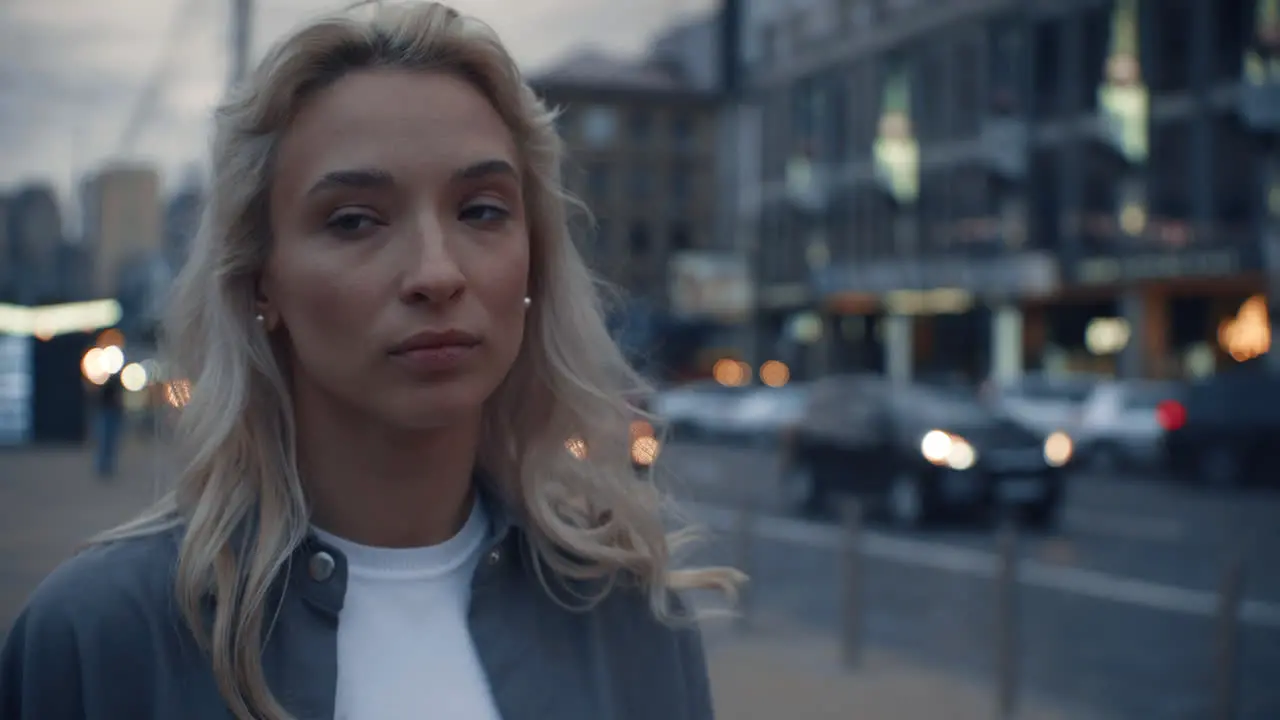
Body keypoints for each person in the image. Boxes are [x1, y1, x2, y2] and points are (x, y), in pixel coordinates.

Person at [0, 3, 741, 719]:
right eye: (355, 220)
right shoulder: (97, 639)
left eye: (481, 210)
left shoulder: (631, 618)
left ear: (534, 260)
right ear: (263, 280)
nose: (435, 272)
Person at [93, 368, 125, 477]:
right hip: (108, 413)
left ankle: (105, 466)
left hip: (109, 413)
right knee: (106, 441)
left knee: (107, 441)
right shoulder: (107, 381)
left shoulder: (111, 381)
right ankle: (104, 466)